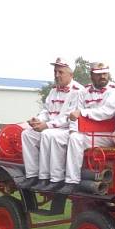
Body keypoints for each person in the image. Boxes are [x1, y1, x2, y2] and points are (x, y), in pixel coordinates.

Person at [20, 58, 81, 189]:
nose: (57, 75)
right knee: (27, 134)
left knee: (49, 134)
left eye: (60, 72)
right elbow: (46, 110)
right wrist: (37, 120)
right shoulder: (54, 91)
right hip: (52, 127)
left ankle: (54, 178)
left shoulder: (78, 91)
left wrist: (46, 125)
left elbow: (69, 118)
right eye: (55, 72)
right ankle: (32, 175)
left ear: (71, 74)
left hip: (68, 129)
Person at [61, 62, 115, 193]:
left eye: (104, 73)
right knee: (72, 137)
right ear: (92, 75)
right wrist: (73, 129)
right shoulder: (83, 92)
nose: (102, 77)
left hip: (107, 135)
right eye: (99, 74)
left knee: (75, 138)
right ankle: (69, 180)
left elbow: (106, 112)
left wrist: (83, 112)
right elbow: (74, 113)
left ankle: (71, 178)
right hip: (87, 133)